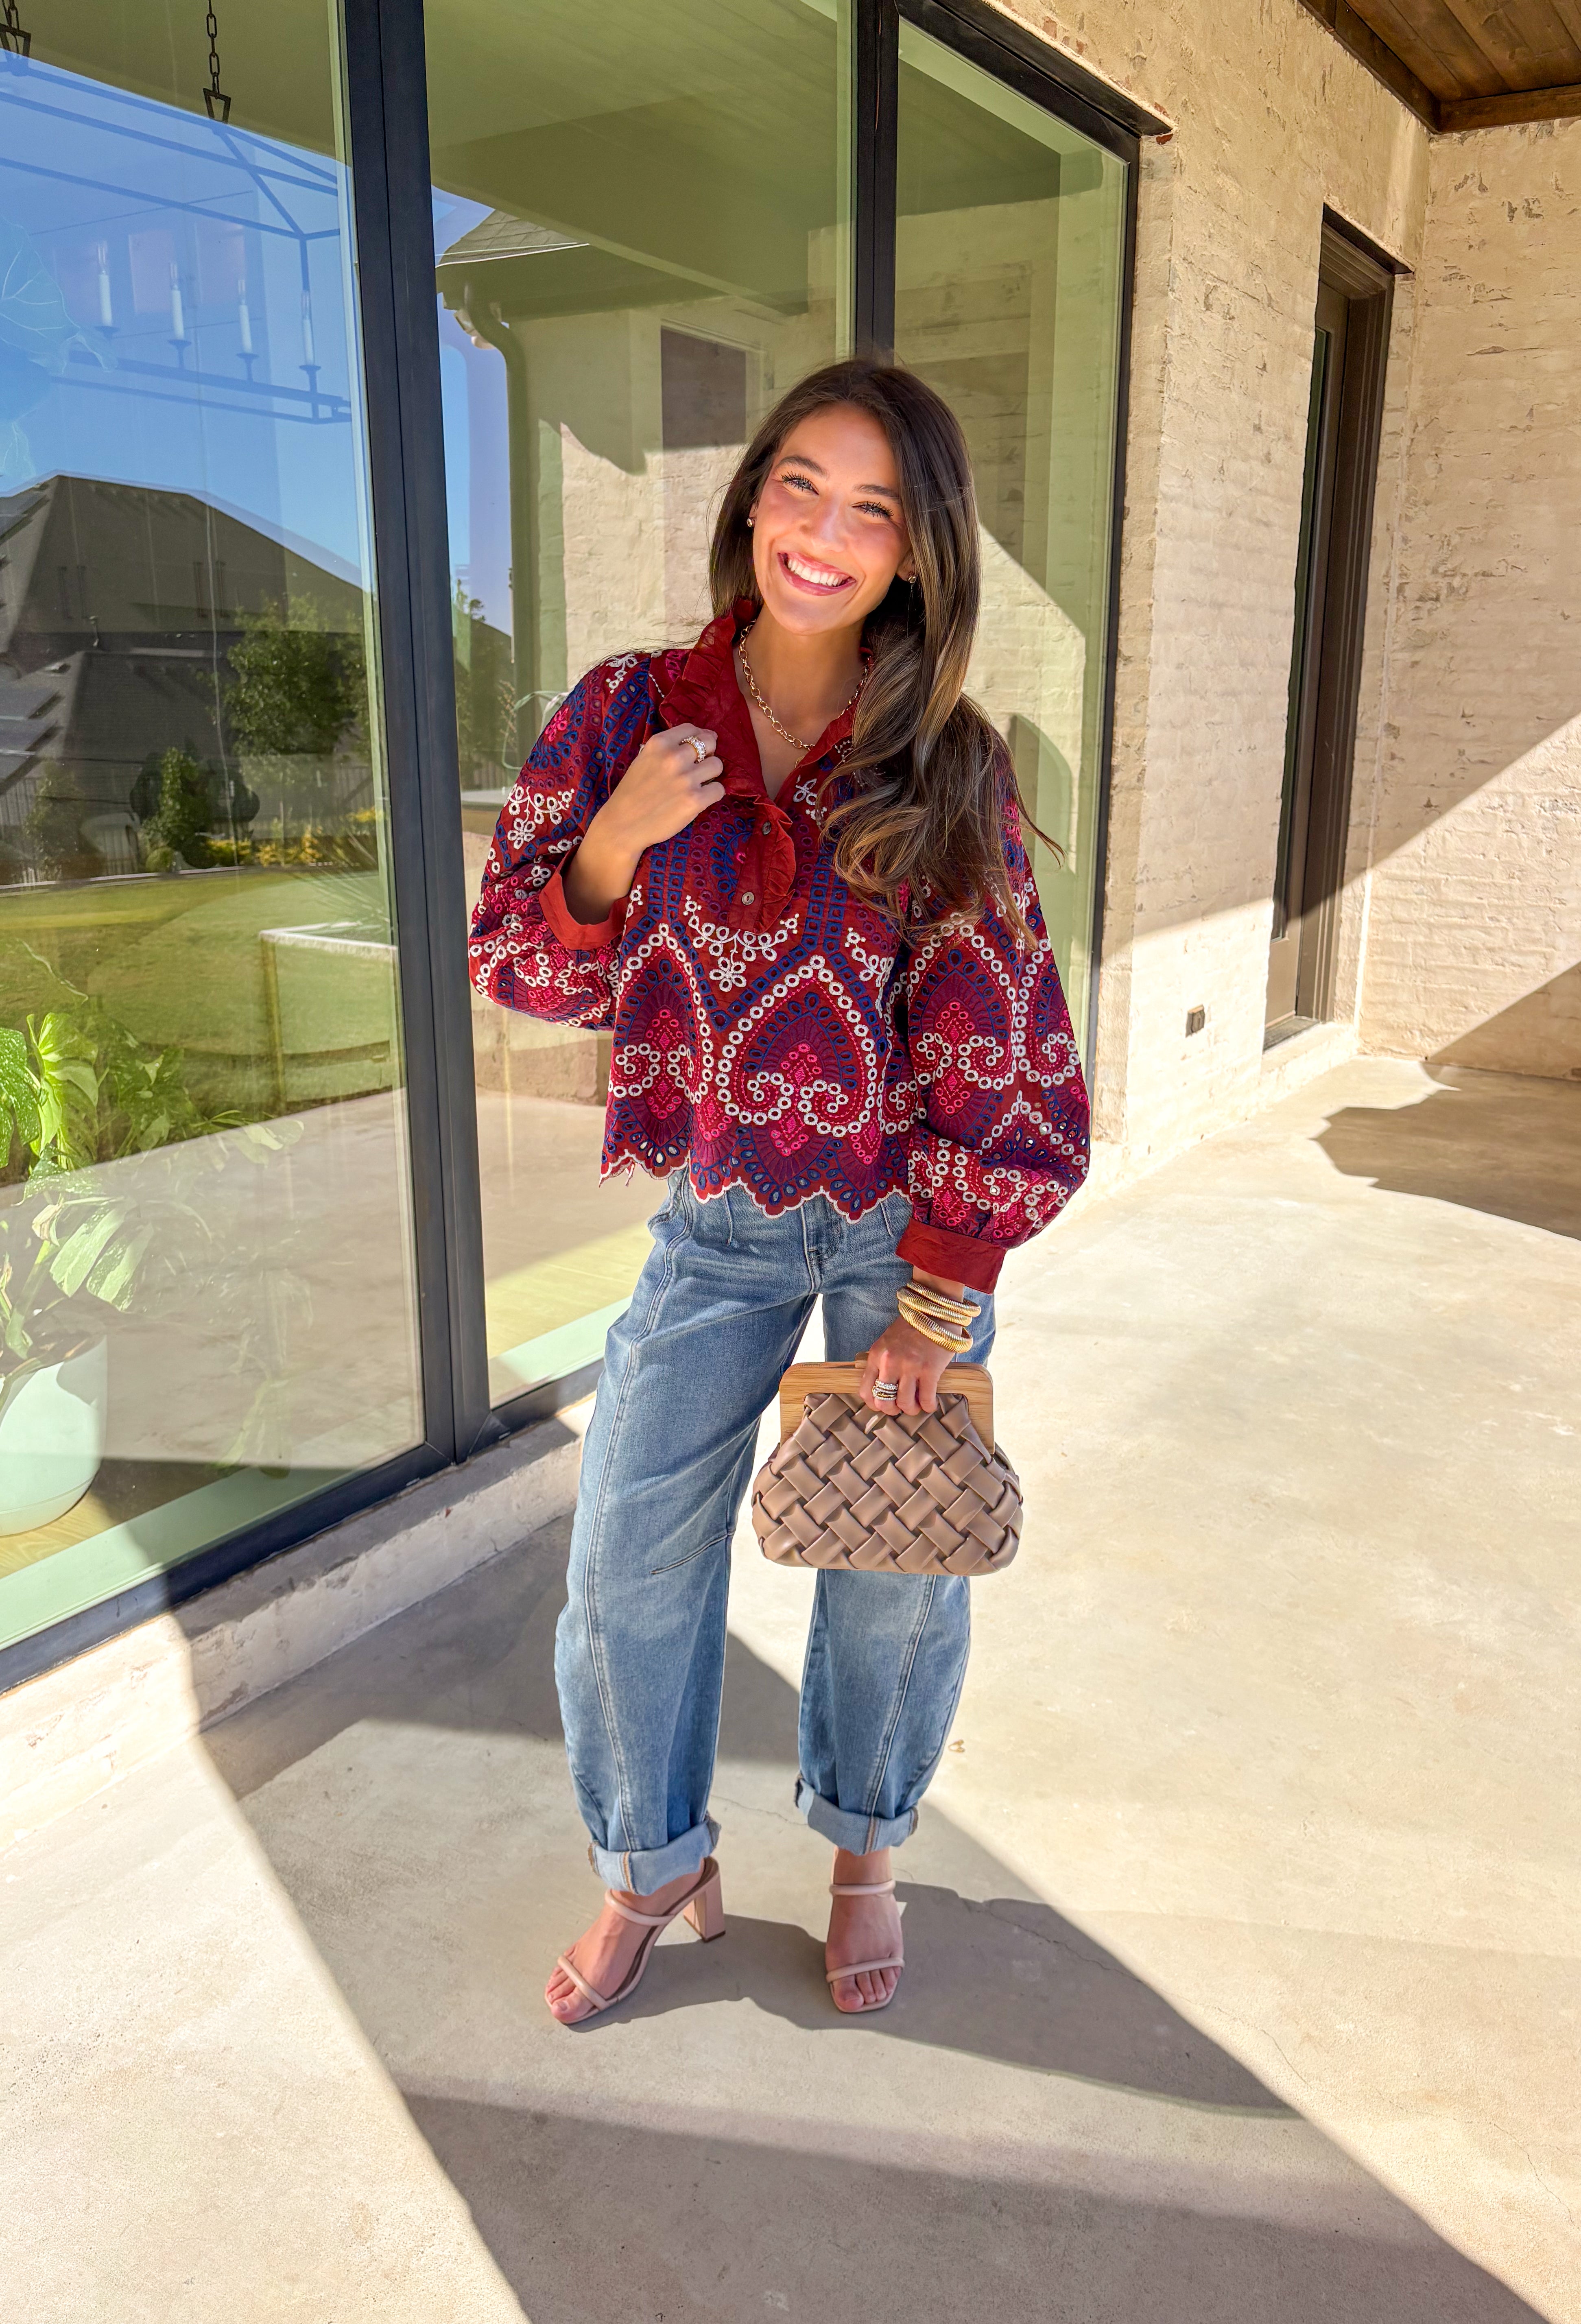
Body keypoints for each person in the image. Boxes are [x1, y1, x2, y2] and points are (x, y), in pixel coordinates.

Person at [469, 358, 1089, 2024]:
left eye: (875, 509)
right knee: (628, 1562)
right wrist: (615, 843)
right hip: (721, 1220)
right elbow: (519, 958)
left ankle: (868, 1848)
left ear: (915, 553)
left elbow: (1007, 1036)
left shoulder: (948, 765)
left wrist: (946, 1302)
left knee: (892, 1572)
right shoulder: (631, 714)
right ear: (754, 498)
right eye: (801, 486)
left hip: (904, 1228)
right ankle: (651, 1858)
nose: (827, 532)